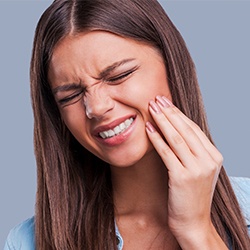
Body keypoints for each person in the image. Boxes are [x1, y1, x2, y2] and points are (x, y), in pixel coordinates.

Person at [4, 0, 250, 249]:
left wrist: (197, 231)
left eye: (118, 75)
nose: (96, 108)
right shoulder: (26, 242)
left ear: (172, 65)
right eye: (70, 96)